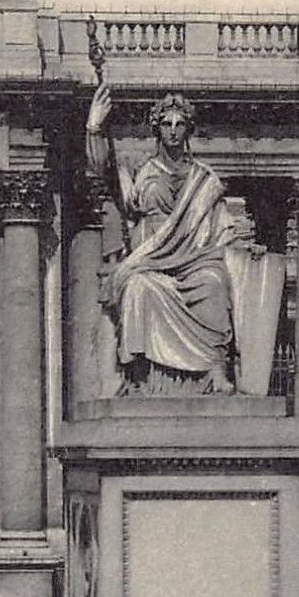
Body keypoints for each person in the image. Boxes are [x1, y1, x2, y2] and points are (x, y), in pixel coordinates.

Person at [86, 84, 263, 396]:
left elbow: (222, 227)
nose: (172, 131)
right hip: (151, 261)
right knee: (140, 287)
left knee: (213, 283)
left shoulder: (203, 178)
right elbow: (101, 169)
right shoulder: (139, 170)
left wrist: (244, 247)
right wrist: (95, 127)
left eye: (179, 124)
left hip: (195, 260)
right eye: (166, 124)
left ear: (188, 130)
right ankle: (141, 377)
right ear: (157, 129)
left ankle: (215, 369)